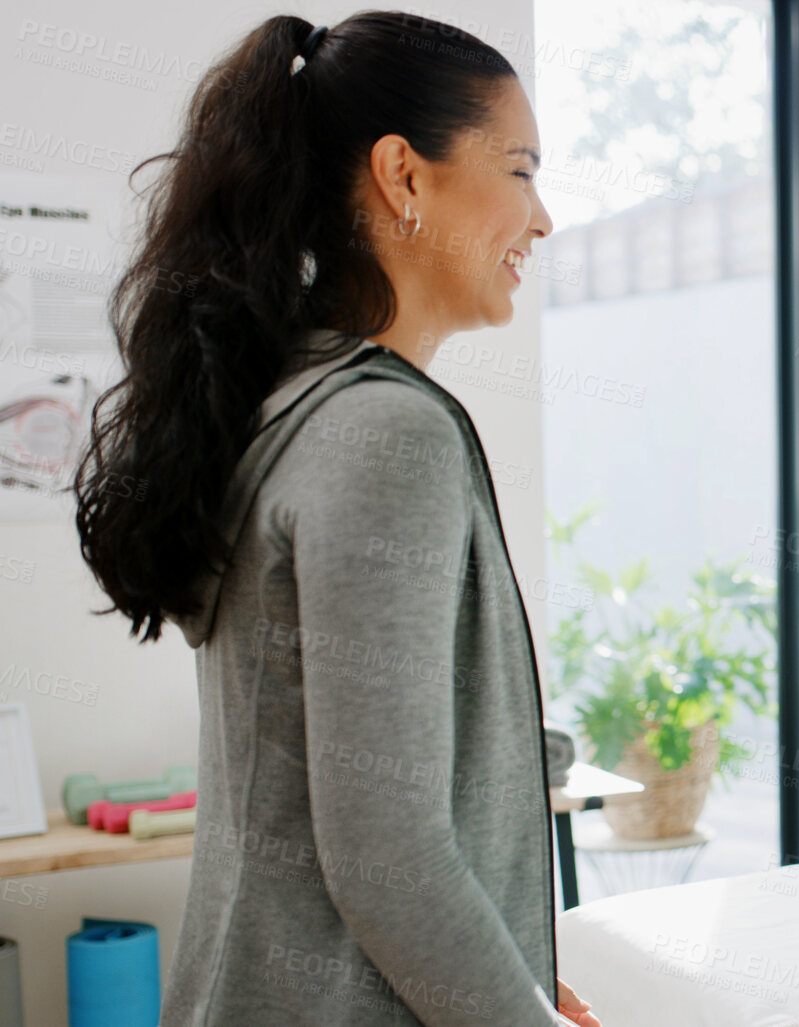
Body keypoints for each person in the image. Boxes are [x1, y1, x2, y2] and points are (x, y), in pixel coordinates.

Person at [72, 13, 601, 1026]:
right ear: (404, 176)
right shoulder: (386, 431)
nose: (542, 220)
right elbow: (387, 856)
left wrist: (507, 975)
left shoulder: (288, 399)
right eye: (522, 169)